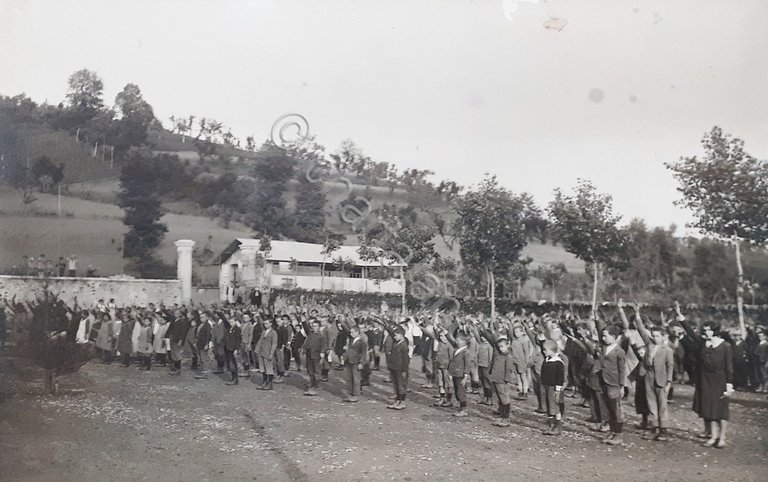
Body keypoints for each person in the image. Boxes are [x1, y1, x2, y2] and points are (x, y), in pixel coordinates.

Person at [541, 340, 566, 435]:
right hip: (546, 386)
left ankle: (557, 426)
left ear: (552, 350)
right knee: (548, 405)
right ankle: (551, 425)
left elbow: (560, 378)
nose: (544, 351)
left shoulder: (558, 362)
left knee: (554, 406)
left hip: (553, 387)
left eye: (545, 350)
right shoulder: (546, 360)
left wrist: (558, 389)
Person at [386, 325, 409, 410]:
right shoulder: (396, 343)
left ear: (401, 335)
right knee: (396, 385)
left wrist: (405, 370)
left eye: (396, 335)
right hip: (394, 367)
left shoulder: (404, 346)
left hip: (400, 369)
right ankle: (397, 400)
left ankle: (402, 402)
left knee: (401, 386)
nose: (394, 337)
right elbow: (391, 332)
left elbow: (406, 360)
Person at [303, 318, 328, 396]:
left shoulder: (321, 336)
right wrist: (302, 319)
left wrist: (322, 355)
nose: (314, 328)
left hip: (316, 356)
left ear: (319, 327)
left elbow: (324, 346)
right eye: (313, 326)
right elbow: (305, 326)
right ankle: (312, 384)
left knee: (316, 371)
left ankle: (315, 386)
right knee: (310, 371)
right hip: (309, 355)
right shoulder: (310, 333)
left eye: (316, 326)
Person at [343, 324, 367, 403]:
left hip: (356, 362)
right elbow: (345, 328)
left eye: (352, 332)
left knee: (356, 379)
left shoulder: (362, 342)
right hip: (349, 361)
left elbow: (363, 353)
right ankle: (349, 394)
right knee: (349, 379)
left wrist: (361, 363)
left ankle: (356, 395)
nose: (351, 334)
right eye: (350, 332)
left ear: (357, 332)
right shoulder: (351, 340)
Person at [254, 318, 278, 390]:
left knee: (269, 368)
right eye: (264, 324)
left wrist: (271, 353)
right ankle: (264, 381)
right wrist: (256, 349)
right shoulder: (264, 332)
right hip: (261, 352)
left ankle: (270, 384)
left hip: (268, 353)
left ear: (271, 323)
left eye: (267, 323)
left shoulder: (273, 333)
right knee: (263, 368)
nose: (265, 325)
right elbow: (260, 341)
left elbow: (274, 344)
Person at [224, 316, 242, 385]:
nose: (230, 323)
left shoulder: (237, 329)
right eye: (230, 322)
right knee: (230, 363)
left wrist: (236, 349)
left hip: (233, 348)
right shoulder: (229, 328)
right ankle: (232, 377)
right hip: (228, 348)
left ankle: (235, 379)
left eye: (232, 322)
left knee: (233, 363)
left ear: (235, 322)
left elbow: (238, 340)